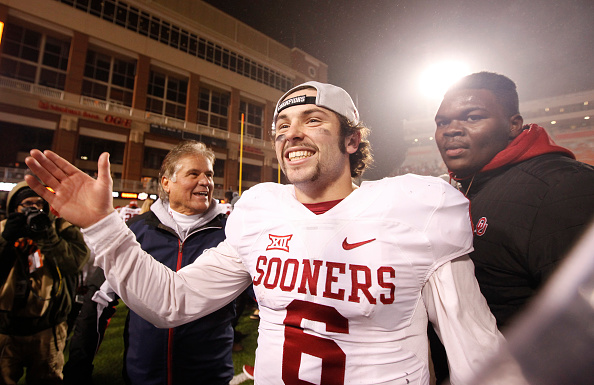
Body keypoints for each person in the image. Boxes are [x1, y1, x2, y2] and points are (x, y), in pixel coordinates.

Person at [25, 81, 523, 385]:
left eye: (313, 119)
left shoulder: (417, 207)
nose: (292, 133)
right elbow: (171, 303)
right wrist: (103, 226)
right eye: (282, 125)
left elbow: (475, 348)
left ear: (352, 139)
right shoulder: (261, 210)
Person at [431, 71, 594, 382]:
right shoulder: (465, 186)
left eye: (472, 117)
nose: (451, 130)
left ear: (513, 125)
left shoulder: (563, 186)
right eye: (442, 122)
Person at [63, 141, 234, 385]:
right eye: (194, 174)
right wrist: (78, 368)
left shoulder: (232, 233)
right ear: (167, 182)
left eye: (209, 174)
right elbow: (98, 302)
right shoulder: (134, 231)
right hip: (142, 375)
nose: (205, 181)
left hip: (209, 376)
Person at [0, 182, 89, 384]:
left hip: (47, 328)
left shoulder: (60, 228)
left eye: (39, 203)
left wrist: (47, 236)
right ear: (14, 208)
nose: (34, 208)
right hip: (6, 328)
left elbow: (74, 263)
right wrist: (6, 239)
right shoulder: (3, 229)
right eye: (27, 204)